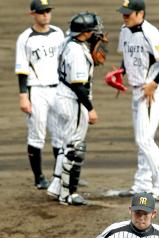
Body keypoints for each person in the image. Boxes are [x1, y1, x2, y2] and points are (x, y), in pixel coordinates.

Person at [116, 0, 159, 201]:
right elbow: (126, 57)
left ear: (140, 13)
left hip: (151, 93)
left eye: (128, 13)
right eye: (123, 13)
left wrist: (154, 83)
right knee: (142, 140)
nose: (125, 17)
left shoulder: (151, 33)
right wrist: (120, 71)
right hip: (137, 91)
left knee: (144, 139)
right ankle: (142, 184)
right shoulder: (124, 30)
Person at [46, 12, 101, 205]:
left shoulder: (67, 42)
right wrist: (91, 109)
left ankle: (55, 187)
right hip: (72, 101)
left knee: (66, 143)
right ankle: (67, 194)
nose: (96, 33)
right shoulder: (77, 52)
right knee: (74, 147)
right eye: (93, 31)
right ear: (85, 33)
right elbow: (79, 85)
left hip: (60, 95)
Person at [15, 0, 64, 189]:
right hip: (36, 91)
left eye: (48, 11)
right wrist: (23, 95)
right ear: (32, 14)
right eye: (42, 12)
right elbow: (22, 68)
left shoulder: (58, 33)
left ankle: (60, 176)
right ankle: (39, 178)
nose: (45, 15)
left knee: (61, 136)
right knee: (37, 135)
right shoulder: (25, 38)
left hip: (58, 90)